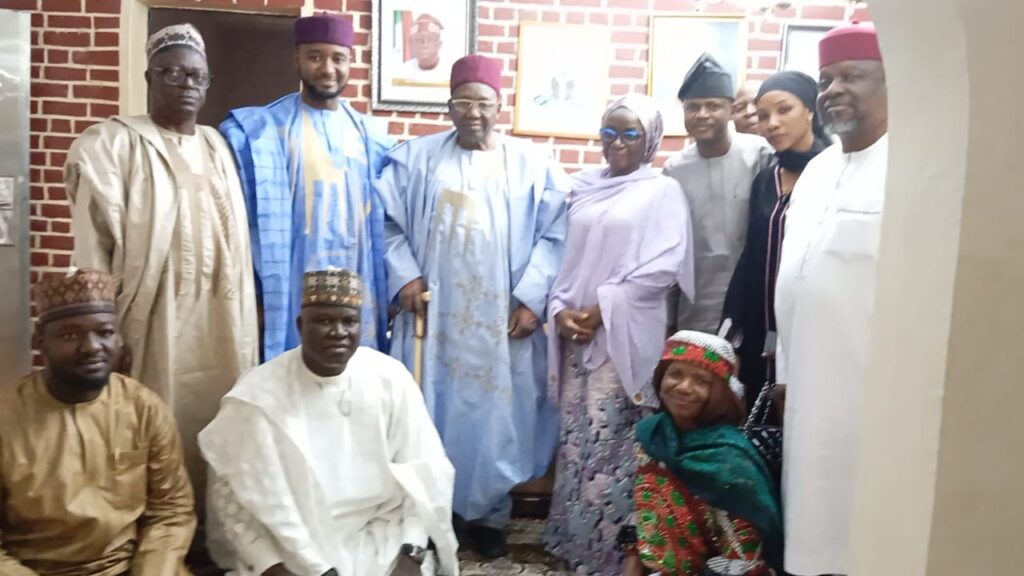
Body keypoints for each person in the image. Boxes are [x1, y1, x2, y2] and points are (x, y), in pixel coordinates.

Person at [376, 54, 569, 558]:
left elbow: (556, 235)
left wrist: (531, 297)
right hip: (431, 318)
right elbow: (388, 223)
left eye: (482, 102)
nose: (473, 112)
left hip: (499, 322)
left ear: (500, 105)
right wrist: (405, 276)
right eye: (462, 102)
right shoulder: (415, 159)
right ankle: (424, 512)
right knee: (426, 411)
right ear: (449, 106)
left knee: (495, 418)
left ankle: (488, 517)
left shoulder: (534, 165)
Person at [64, 23, 259, 496]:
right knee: (152, 429)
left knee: (223, 428)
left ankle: (214, 536)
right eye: (171, 73)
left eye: (197, 76)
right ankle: (155, 532)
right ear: (149, 79)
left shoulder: (218, 147)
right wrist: (100, 329)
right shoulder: (112, 145)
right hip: (151, 325)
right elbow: (92, 251)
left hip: (222, 325)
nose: (186, 84)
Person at [199, 269, 458, 576]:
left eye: (349, 321)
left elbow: (423, 477)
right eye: (324, 321)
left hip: (379, 538)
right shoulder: (257, 396)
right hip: (290, 549)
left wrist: (411, 551)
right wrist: (271, 566)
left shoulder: (391, 379)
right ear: (300, 325)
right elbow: (232, 501)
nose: (339, 332)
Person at [542, 94, 695, 575]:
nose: (618, 143)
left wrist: (603, 309)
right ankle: (576, 543)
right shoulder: (584, 187)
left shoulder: (662, 191)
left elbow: (664, 266)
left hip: (624, 337)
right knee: (576, 439)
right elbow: (562, 258)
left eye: (631, 133)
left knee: (615, 444)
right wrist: (562, 310)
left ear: (650, 139)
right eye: (610, 132)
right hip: (576, 336)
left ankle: (614, 554)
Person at [774, 23, 888, 576]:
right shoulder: (818, 169)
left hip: (871, 391)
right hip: (807, 382)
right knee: (810, 519)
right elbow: (794, 278)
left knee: (860, 527)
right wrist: (787, 371)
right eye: (826, 79)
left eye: (853, 76)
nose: (833, 89)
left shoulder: (911, 167)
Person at [0, 269, 195, 575]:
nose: (91, 346)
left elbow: (170, 512)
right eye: (70, 335)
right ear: (41, 342)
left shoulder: (143, 407)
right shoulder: (5, 415)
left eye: (104, 332)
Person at [221, 13, 392, 360]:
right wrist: (255, 294)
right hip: (292, 284)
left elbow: (389, 223)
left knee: (355, 383)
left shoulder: (372, 137)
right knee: (292, 379)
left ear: (350, 62)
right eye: (315, 56)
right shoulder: (262, 131)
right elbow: (241, 223)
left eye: (338, 58)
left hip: (357, 278)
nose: (327, 68)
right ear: (296, 59)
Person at [620, 331, 782, 576]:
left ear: (719, 392)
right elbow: (644, 515)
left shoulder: (729, 460)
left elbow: (744, 556)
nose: (684, 388)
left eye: (701, 381)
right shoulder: (652, 435)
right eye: (675, 374)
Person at [720, 71, 831, 410]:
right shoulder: (766, 179)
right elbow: (751, 254)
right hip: (758, 325)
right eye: (764, 115)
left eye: (784, 110)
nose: (772, 123)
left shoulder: (833, 173)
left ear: (811, 110)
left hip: (809, 327)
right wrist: (729, 333)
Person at [664, 53, 773, 334]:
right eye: (693, 107)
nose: (702, 115)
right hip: (695, 304)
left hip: (753, 300)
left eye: (713, 106)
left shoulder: (761, 155)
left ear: (731, 109)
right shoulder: (674, 169)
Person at [396, 14, 451, 86]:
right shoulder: (402, 71)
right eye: (419, 40)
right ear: (412, 45)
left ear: (439, 45)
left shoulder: (451, 71)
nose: (424, 45)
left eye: (429, 40)